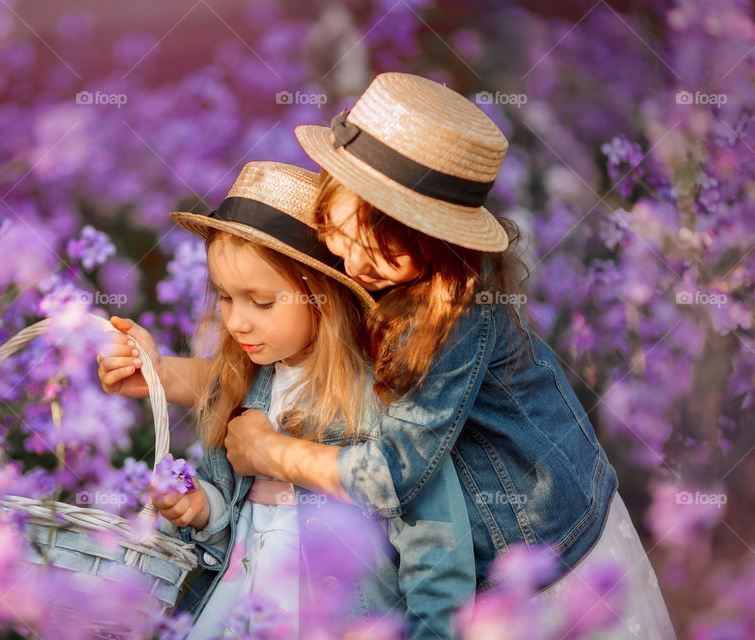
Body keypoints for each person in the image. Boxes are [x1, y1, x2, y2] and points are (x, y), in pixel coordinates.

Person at [221, 73, 676, 637]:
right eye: (340, 236)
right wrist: (164, 374)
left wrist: (271, 451)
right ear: (330, 193)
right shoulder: (377, 276)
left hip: (546, 558)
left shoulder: (455, 315)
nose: (356, 268)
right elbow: (292, 361)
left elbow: (391, 475)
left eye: (388, 257)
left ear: (443, 250)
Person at [98, 160, 475, 638]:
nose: (236, 322)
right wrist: (202, 509)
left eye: (262, 301)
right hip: (246, 603)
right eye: (226, 298)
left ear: (322, 296)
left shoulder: (379, 401)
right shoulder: (247, 385)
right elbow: (238, 512)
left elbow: (436, 544)